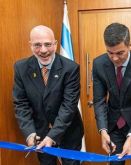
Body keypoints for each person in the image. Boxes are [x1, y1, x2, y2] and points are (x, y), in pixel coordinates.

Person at [13, 25, 84, 165]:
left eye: (47, 44)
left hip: (68, 132)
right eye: (37, 45)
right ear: (30, 45)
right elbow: (21, 103)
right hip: (40, 134)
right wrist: (30, 133)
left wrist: (52, 137)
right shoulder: (21, 68)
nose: (43, 50)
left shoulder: (70, 68)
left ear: (56, 44)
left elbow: (68, 106)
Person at [92, 23, 131, 165]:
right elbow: (99, 101)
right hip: (114, 125)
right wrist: (103, 131)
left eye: (120, 53)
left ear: (129, 45)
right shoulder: (98, 64)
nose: (115, 58)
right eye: (110, 53)